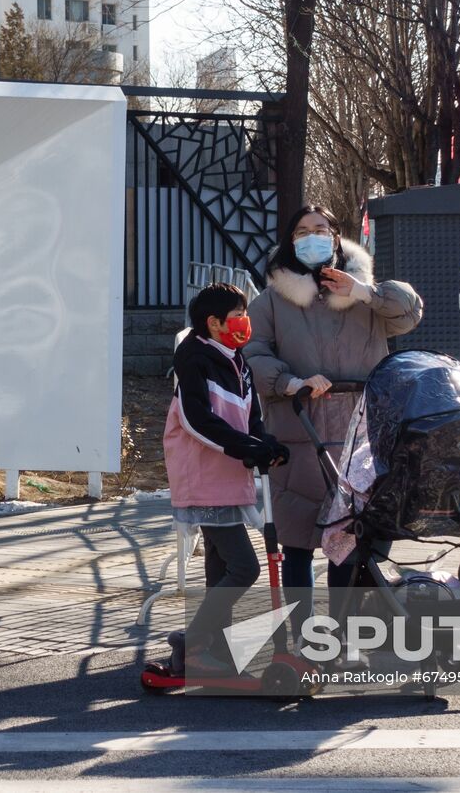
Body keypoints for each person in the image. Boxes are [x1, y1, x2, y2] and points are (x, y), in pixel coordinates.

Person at [244, 206, 423, 641]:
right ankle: (305, 635)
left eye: (321, 229)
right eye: (302, 231)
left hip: (360, 432)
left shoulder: (365, 296)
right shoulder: (271, 301)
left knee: (351, 541)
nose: (313, 237)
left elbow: (410, 313)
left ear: (337, 238)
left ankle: (340, 631)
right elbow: (253, 353)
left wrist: (364, 291)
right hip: (299, 430)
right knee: (298, 543)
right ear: (290, 242)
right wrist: (289, 382)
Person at [163, 282, 288, 672]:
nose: (244, 321)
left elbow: (251, 417)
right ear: (213, 323)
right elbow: (196, 420)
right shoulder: (194, 359)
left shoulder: (237, 360)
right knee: (244, 567)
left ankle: (211, 652)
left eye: (244, 314)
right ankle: (191, 641)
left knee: (219, 569)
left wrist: (265, 443)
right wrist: (244, 447)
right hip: (204, 478)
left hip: (229, 477)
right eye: (237, 315)